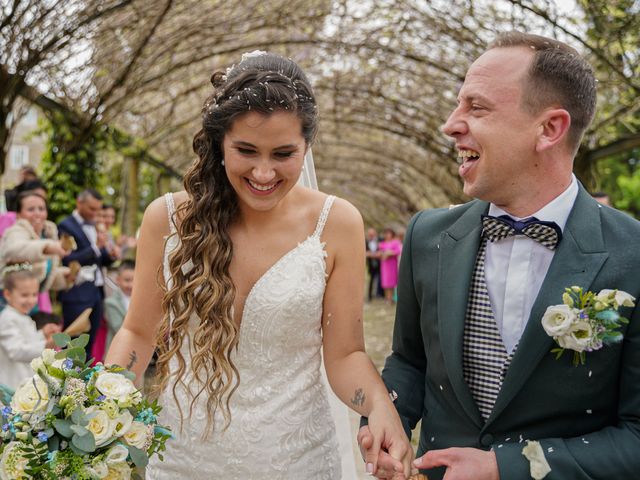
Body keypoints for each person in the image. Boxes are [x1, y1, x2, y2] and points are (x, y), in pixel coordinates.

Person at [106, 52, 412, 478]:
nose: (264, 172)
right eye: (246, 150)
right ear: (219, 143)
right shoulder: (168, 219)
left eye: (283, 153)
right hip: (184, 457)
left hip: (296, 459)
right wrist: (97, 405)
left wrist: (380, 406)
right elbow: (138, 331)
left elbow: (345, 355)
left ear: (306, 147)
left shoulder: (337, 222)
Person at [359, 31, 640, 479]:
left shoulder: (633, 254)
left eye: (477, 107)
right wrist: (386, 415)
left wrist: (502, 467)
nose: (451, 124)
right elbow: (410, 362)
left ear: (549, 128)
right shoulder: (427, 235)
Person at [58, 189, 115, 357]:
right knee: (72, 346)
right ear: (79, 203)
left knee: (89, 345)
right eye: (92, 209)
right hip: (77, 293)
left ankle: (84, 382)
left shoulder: (95, 226)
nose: (96, 214)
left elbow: (99, 260)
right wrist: (96, 247)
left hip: (97, 293)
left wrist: (110, 255)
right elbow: (67, 259)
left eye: (98, 210)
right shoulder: (66, 226)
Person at [0, 191, 70, 312]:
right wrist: (47, 247)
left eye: (41, 208)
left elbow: (42, 274)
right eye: (31, 209)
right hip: (8, 303)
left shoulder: (48, 233)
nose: (37, 213)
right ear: (19, 215)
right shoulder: (15, 231)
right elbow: (14, 250)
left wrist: (66, 276)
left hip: (30, 302)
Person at [0, 267, 61, 388]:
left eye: (34, 294)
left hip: (24, 376)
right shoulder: (8, 318)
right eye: (24, 295)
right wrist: (45, 345)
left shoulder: (22, 315)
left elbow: (27, 340)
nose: (31, 300)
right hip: (12, 379)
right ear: (7, 294)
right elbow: (16, 350)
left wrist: (42, 334)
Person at [104, 260, 134, 353]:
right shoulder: (111, 302)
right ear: (118, 280)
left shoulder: (141, 299)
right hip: (117, 351)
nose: (130, 285)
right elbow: (118, 328)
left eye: (134, 280)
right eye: (127, 280)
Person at [378, 227, 402, 304]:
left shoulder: (395, 242)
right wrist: (382, 254)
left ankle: (392, 299)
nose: (387, 235)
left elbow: (398, 251)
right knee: (385, 282)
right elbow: (379, 253)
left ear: (392, 234)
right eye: (386, 233)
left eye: (389, 233)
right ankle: (387, 299)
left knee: (392, 282)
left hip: (392, 265)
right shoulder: (382, 243)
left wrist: (390, 253)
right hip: (384, 265)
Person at [366, 227, 382, 301]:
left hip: (380, 264)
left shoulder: (380, 240)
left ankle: (380, 294)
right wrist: (371, 254)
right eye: (370, 234)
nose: (371, 235)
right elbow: (365, 253)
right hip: (371, 264)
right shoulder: (365, 242)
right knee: (371, 280)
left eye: (372, 234)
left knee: (381, 279)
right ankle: (369, 296)